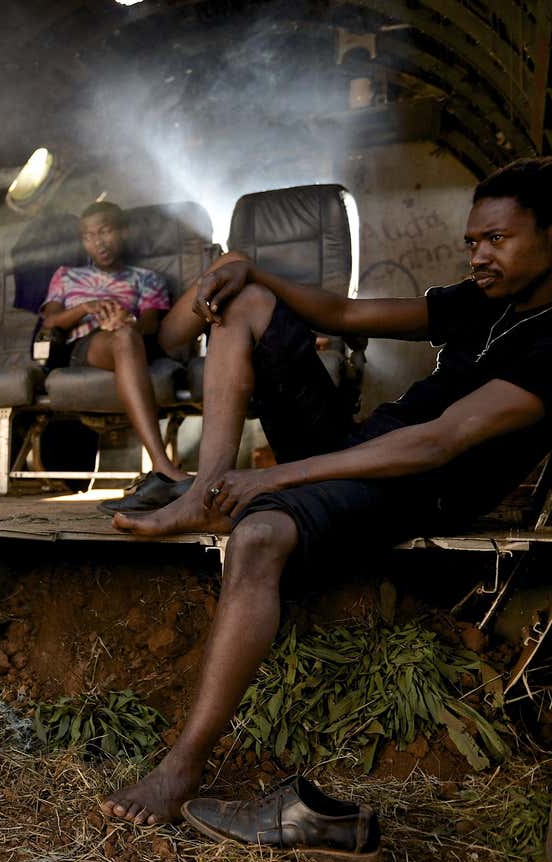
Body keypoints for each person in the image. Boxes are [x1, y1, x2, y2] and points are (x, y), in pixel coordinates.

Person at [100, 157, 552, 826]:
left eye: (497, 239)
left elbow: (437, 444)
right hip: (367, 448)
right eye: (473, 241)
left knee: (257, 535)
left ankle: (182, 765)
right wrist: (253, 268)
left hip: (417, 486)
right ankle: (202, 492)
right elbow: (342, 311)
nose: (480, 255)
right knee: (247, 303)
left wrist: (272, 478)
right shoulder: (483, 301)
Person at [39, 201, 209, 512]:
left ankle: (169, 473)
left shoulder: (147, 279)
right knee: (122, 340)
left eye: (105, 231)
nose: (98, 242)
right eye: (89, 236)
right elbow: (51, 322)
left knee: (128, 336)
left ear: (123, 231)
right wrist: (86, 308)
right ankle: (164, 467)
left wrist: (125, 321)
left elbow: (151, 324)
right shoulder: (66, 275)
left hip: (134, 340)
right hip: (86, 347)